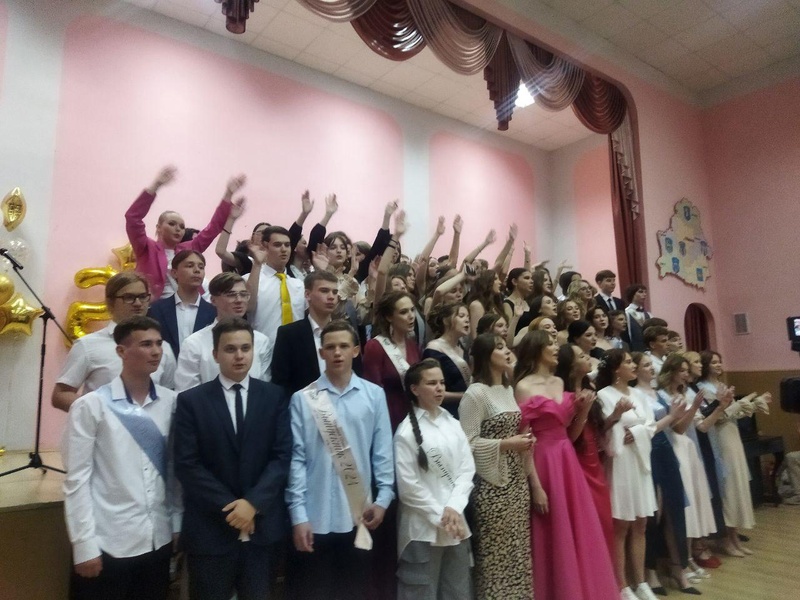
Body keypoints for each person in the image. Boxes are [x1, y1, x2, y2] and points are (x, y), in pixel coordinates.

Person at [62, 316, 179, 600]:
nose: (156, 351)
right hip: (109, 542)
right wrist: (84, 544)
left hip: (158, 538)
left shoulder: (172, 403)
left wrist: (176, 524)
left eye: (159, 344)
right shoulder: (91, 406)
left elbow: (175, 471)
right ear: (121, 351)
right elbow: (77, 480)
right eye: (146, 344)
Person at [174, 318, 292, 600]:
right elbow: (187, 464)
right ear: (215, 354)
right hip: (210, 529)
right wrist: (233, 509)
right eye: (230, 349)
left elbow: (281, 456)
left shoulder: (274, 396)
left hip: (262, 528)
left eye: (245, 348)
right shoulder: (192, 401)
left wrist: (252, 504)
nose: (239, 356)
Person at [286, 321, 394, 600]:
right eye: (330, 347)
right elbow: (296, 460)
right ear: (321, 352)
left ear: (356, 350)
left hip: (359, 513)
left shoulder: (374, 395)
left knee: (354, 591)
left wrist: (384, 499)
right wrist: (298, 515)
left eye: (344, 346)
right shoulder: (303, 399)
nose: (337, 353)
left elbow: (382, 452)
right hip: (315, 516)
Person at [514, 330, 618, 600]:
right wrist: (535, 485)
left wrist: (583, 411)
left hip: (566, 459)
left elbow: (570, 435)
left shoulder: (560, 382)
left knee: (576, 530)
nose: (555, 348)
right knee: (552, 532)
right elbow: (524, 439)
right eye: (550, 344)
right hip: (543, 461)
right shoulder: (523, 386)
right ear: (537, 349)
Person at [395, 359, 476, 600]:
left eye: (442, 382)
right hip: (422, 529)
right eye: (431, 383)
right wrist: (442, 515)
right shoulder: (405, 432)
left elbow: (466, 470)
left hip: (456, 525)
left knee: (458, 592)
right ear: (415, 389)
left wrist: (454, 507)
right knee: (420, 593)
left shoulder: (453, 424)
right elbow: (409, 488)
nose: (439, 388)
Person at [459, 334, 533, 599]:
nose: (507, 351)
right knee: (495, 555)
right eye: (499, 347)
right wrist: (505, 444)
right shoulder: (475, 394)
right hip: (491, 486)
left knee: (518, 552)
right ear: (486, 355)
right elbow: (466, 443)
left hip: (517, 482)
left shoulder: (508, 389)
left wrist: (525, 440)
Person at [52, 272, 176, 412]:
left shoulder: (162, 348)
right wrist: (101, 413)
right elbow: (61, 395)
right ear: (110, 303)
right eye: (128, 298)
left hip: (150, 424)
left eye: (142, 297)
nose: (138, 303)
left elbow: (168, 395)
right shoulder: (88, 345)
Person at [125, 165, 245, 299]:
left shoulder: (189, 249)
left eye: (182, 227)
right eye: (172, 224)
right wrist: (156, 185)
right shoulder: (146, 248)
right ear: (158, 227)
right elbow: (133, 218)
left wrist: (228, 194)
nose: (178, 229)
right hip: (153, 307)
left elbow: (213, 228)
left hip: (188, 305)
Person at [596, 350, 659, 600]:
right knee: (621, 525)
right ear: (615, 369)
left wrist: (639, 432)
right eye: (629, 362)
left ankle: (641, 582)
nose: (633, 366)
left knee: (641, 523)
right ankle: (622, 585)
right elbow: (601, 429)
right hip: (620, 462)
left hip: (640, 461)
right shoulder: (604, 395)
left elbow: (650, 424)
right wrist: (617, 418)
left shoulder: (639, 394)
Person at [697, 351, 771, 557]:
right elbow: (719, 416)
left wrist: (752, 403)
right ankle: (725, 539)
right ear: (705, 365)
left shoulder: (721, 385)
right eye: (713, 362)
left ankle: (735, 537)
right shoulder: (703, 389)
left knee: (737, 486)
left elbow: (732, 413)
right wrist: (741, 403)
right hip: (720, 439)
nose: (718, 365)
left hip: (733, 436)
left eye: (719, 361)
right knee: (728, 489)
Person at [553, 343, 614, 567]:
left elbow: (597, 428)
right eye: (581, 356)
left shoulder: (590, 387)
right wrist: (583, 411)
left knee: (604, 517)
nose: (588, 358)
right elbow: (569, 437)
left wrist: (616, 415)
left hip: (594, 458)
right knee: (586, 519)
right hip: (575, 459)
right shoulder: (562, 394)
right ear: (570, 364)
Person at [658, 354, 716, 590]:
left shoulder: (683, 394)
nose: (686, 374)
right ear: (671, 372)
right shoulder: (663, 396)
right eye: (681, 370)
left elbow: (697, 425)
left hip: (688, 448)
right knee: (684, 506)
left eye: (686, 370)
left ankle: (689, 556)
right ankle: (683, 559)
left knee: (694, 503)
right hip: (675, 447)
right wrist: (692, 408)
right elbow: (679, 428)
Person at [174, 273, 272, 391]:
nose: (239, 300)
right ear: (213, 300)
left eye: (243, 294)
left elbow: (264, 390)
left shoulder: (261, 341)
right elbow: (186, 392)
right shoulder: (194, 344)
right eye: (231, 295)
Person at [270, 270, 342, 395]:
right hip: (302, 404)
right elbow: (281, 384)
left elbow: (356, 376)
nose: (331, 297)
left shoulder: (346, 332)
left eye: (335, 292)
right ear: (307, 295)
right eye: (324, 291)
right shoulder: (289, 334)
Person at [363, 291, 422, 432]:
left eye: (412, 310)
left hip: (414, 416)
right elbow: (372, 390)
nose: (411, 316)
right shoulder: (375, 346)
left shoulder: (413, 345)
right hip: (388, 417)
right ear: (389, 317)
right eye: (403, 312)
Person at [147, 250, 216, 358]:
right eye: (190, 266)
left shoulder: (214, 312)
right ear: (174, 273)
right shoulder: (156, 310)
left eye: (201, 267)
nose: (197, 270)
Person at [245, 225, 306, 344]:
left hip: (296, 349)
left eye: (287, 245)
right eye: (277, 245)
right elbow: (248, 307)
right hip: (264, 349)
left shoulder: (299, 284)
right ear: (265, 247)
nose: (284, 249)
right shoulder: (250, 279)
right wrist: (257, 264)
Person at [423, 303, 471, 417]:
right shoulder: (433, 350)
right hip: (444, 413)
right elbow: (430, 390)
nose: (467, 320)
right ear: (445, 320)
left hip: (465, 411)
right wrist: (465, 395)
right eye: (461, 316)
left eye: (468, 317)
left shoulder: (463, 349)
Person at [466, 269, 505, 340]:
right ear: (486, 282)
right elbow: (476, 336)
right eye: (495, 279)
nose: (500, 282)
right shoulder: (477, 305)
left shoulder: (495, 304)